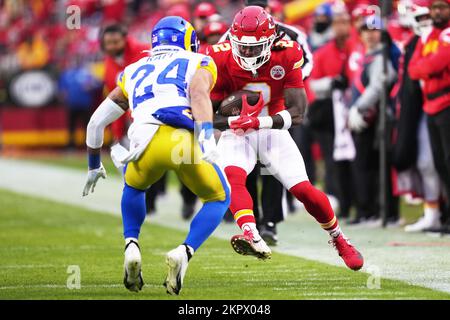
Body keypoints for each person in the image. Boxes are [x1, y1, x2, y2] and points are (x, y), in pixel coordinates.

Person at [82, 16, 230, 295]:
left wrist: (93, 165)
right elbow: (198, 95)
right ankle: (183, 253)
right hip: (180, 142)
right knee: (219, 198)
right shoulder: (199, 60)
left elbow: (95, 123)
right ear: (186, 39)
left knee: (135, 187)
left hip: (142, 146)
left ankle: (131, 245)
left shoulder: (132, 69)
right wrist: (207, 137)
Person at [208, 6, 364, 271]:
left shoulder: (288, 51)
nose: (247, 52)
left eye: (254, 47)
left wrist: (259, 121)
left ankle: (339, 238)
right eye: (242, 47)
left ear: (270, 41)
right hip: (237, 131)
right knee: (233, 177)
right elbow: (205, 115)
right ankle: (251, 233)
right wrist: (234, 121)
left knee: (303, 189)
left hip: (272, 129)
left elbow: (299, 112)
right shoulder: (217, 56)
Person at [347, 15, 398, 225]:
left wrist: (359, 108)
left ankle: (381, 211)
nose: (370, 34)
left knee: (377, 166)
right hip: (367, 117)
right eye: (366, 30)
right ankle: (368, 210)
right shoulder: (366, 54)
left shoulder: (383, 55)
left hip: (378, 117)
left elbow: (379, 84)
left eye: (374, 30)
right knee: (366, 164)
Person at [309, 6, 355, 220]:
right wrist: (332, 82)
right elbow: (313, 84)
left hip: (354, 108)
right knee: (332, 158)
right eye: (337, 22)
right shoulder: (323, 52)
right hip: (329, 111)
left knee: (358, 158)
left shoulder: (357, 47)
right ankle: (341, 201)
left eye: (344, 22)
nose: (340, 27)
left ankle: (363, 203)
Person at [408, 0, 450, 234]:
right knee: (441, 164)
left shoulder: (446, 33)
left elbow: (437, 62)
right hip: (431, 105)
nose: (437, 12)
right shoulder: (430, 35)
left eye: (442, 7)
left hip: (446, 103)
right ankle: (446, 217)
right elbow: (415, 69)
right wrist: (427, 66)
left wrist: (426, 66)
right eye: (434, 8)